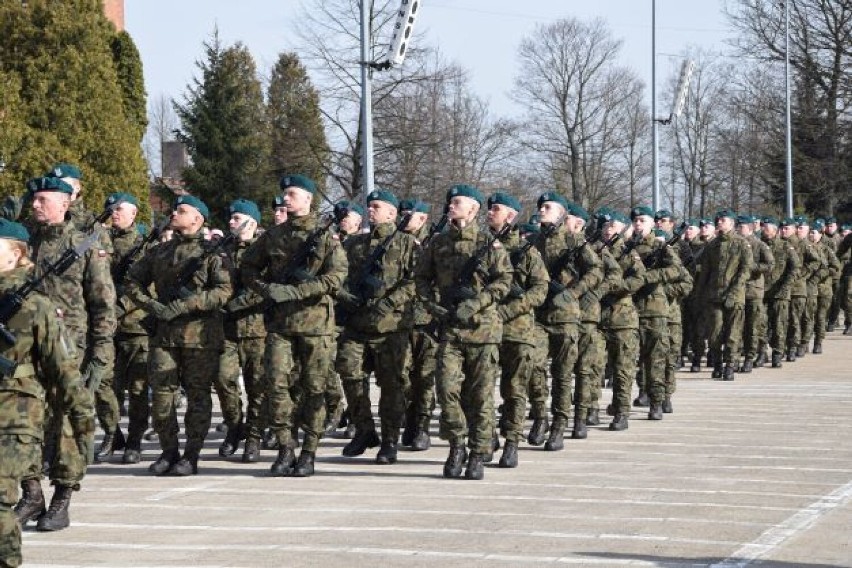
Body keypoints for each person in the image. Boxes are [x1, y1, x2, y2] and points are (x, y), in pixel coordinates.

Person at [20, 176, 115, 531]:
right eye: (34, 199)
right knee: (23, 423)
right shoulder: (25, 243)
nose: (35, 205)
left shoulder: (85, 244)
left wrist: (101, 355)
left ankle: (61, 499)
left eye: (42, 199)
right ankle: (31, 494)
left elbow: (104, 305)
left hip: (69, 351)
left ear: (64, 203)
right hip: (25, 350)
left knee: (66, 427)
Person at [0, 219, 94, 565]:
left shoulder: (36, 306)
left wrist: (84, 420)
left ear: (16, 254)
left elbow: (64, 369)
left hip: (15, 416)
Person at [240, 174, 347, 477]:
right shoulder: (273, 236)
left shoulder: (326, 237)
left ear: (308, 200)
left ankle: (309, 451)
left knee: (314, 389)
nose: (285, 199)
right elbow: (248, 267)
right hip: (281, 326)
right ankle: (286, 446)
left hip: (317, 327)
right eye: (284, 194)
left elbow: (335, 277)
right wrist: (266, 289)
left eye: (292, 194)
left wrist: (295, 291)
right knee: (276, 384)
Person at [125, 195, 232, 475]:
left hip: (200, 336)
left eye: (182, 210)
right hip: (164, 335)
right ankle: (168, 451)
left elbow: (223, 291)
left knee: (197, 397)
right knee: (161, 396)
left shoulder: (212, 253)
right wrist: (152, 306)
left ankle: (191, 454)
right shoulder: (160, 251)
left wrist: (187, 304)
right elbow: (132, 281)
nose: (175, 213)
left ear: (197, 219)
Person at [414, 184, 512, 479]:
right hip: (450, 331)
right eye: (450, 202)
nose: (451, 206)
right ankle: (457, 444)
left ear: (473, 209)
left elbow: (504, 281)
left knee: (480, 396)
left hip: (483, 331)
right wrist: (435, 308)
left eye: (457, 202)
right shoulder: (438, 243)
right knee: (446, 391)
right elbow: (420, 280)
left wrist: (477, 304)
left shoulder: (489, 243)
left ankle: (479, 453)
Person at [336, 190, 417, 464]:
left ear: (392, 213)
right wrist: (346, 297)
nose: (370, 210)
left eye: (376, 206)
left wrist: (390, 302)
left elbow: (416, 281)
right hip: (357, 325)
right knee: (349, 373)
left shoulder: (407, 244)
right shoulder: (355, 244)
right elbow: (338, 275)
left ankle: (390, 440)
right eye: (369, 206)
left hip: (391, 327)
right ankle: (364, 429)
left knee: (391, 385)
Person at [533, 192, 602, 448]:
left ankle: (560, 425)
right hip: (537, 316)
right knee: (534, 368)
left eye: (548, 207)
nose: (542, 210)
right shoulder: (534, 241)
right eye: (541, 207)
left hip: (565, 318)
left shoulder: (575, 242)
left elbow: (596, 270)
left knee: (562, 375)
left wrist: (573, 292)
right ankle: (540, 415)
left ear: (562, 213)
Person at [487, 192, 547, 467]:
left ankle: (512, 441)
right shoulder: (481, 246)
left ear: (511, 215)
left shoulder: (527, 251)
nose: (490, 212)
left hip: (518, 330)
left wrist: (510, 309)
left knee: (514, 389)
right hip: (485, 329)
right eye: (488, 208)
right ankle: (485, 437)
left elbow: (540, 290)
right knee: (481, 388)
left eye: (496, 209)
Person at [218, 199, 266, 462]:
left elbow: (263, 287)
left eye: (237, 218)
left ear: (252, 222)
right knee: (224, 379)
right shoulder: (221, 249)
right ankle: (235, 426)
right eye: (231, 218)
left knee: (257, 387)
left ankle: (254, 437)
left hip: (257, 329)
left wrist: (234, 304)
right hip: (227, 329)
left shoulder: (264, 250)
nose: (231, 223)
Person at [105, 192, 150, 463]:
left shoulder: (144, 246)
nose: (115, 213)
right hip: (106, 330)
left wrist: (115, 311)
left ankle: (134, 440)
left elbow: (141, 288)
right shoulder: (100, 241)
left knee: (137, 389)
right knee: (106, 387)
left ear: (134, 214)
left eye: (120, 209)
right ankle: (113, 433)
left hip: (136, 327)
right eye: (112, 209)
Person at [628, 207, 681, 415]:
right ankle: (640, 393)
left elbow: (677, 270)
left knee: (657, 358)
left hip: (655, 309)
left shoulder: (661, 246)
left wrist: (649, 277)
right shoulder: (627, 246)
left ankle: (658, 401)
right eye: (635, 221)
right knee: (635, 358)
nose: (638, 224)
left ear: (652, 224)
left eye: (642, 221)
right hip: (630, 309)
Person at [399, 199, 438, 451]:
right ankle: (410, 418)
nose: (403, 219)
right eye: (400, 215)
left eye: (408, 215)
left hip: (427, 320)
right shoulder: (393, 242)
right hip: (399, 320)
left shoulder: (435, 244)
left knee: (424, 377)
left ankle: (421, 425)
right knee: (401, 376)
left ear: (422, 219)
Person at [695, 209, 752, 381]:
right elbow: (705, 272)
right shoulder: (712, 246)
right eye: (718, 220)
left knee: (733, 332)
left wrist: (734, 291)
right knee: (714, 332)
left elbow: (745, 270)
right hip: (714, 296)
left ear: (732, 223)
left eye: (723, 220)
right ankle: (718, 363)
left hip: (735, 296)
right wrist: (699, 294)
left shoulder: (742, 244)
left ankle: (730, 364)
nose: (719, 222)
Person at [736, 215, 774, 372]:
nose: (739, 229)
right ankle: (737, 357)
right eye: (738, 226)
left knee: (753, 327)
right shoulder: (736, 245)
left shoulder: (759, 245)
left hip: (753, 291)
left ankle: (750, 357)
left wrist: (751, 267)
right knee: (738, 327)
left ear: (750, 228)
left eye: (742, 227)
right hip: (738, 291)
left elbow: (769, 264)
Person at [760, 217, 800, 368]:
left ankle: (777, 353)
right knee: (760, 323)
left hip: (780, 293)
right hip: (762, 292)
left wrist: (786, 286)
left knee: (778, 324)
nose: (765, 231)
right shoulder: (760, 246)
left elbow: (795, 268)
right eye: (764, 228)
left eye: (768, 228)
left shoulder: (785, 247)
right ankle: (761, 352)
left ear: (774, 230)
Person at [807, 220, 841, 353]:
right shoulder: (806, 248)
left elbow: (835, 267)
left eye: (814, 233)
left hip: (823, 289)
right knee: (808, 317)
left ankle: (818, 342)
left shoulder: (826, 249)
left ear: (821, 234)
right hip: (809, 289)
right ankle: (804, 343)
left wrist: (823, 273)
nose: (811, 235)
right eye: (810, 233)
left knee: (821, 317)